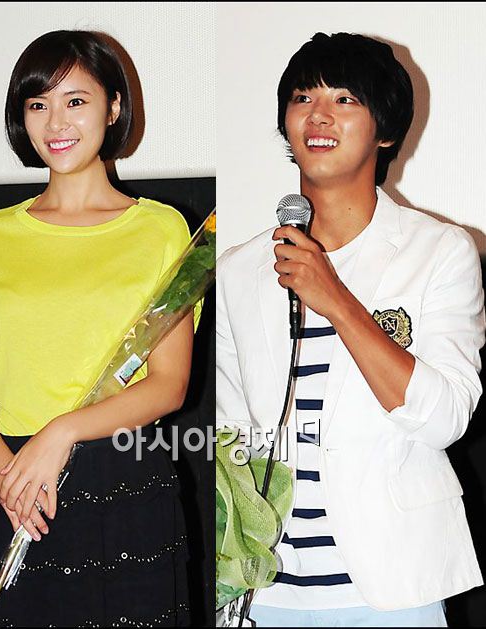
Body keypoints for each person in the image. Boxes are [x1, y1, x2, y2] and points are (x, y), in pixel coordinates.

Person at [216, 32, 485, 627]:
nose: (318, 115)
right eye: (303, 97)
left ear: (385, 130)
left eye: (344, 100)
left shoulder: (439, 252)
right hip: (268, 594)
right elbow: (233, 438)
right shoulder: (239, 269)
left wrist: (335, 299)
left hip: (391, 589)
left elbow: (445, 418)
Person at [0, 30, 194, 627]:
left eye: (76, 101)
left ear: (113, 107)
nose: (55, 122)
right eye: (38, 104)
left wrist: (59, 433)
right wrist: (1, 469)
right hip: (12, 486)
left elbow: (169, 385)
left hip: (124, 481)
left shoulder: (161, 230)